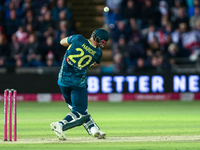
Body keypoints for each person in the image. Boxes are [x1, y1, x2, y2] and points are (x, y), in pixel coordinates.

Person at [50, 28, 109, 140]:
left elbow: (62, 41)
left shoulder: (78, 38)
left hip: (62, 80)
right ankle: (60, 125)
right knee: (80, 111)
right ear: (102, 42)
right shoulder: (98, 53)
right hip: (78, 84)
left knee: (76, 107)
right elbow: (95, 63)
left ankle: (93, 128)